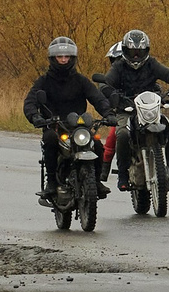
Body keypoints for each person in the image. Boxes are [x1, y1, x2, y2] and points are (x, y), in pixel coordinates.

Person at [21, 35, 113, 206]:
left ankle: (96, 182)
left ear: (72, 58)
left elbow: (97, 97)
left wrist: (108, 113)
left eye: (67, 57)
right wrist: (35, 116)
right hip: (54, 126)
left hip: (78, 127)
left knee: (98, 145)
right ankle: (52, 183)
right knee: (49, 140)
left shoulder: (80, 81)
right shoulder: (44, 81)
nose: (63, 60)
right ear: (53, 58)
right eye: (60, 57)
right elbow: (30, 102)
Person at [101, 27, 169, 188]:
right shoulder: (119, 66)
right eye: (132, 52)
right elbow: (106, 83)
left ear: (146, 51)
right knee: (122, 134)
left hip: (150, 108)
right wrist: (110, 94)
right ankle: (122, 175)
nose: (135, 56)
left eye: (139, 52)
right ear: (125, 51)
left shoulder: (151, 64)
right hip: (126, 108)